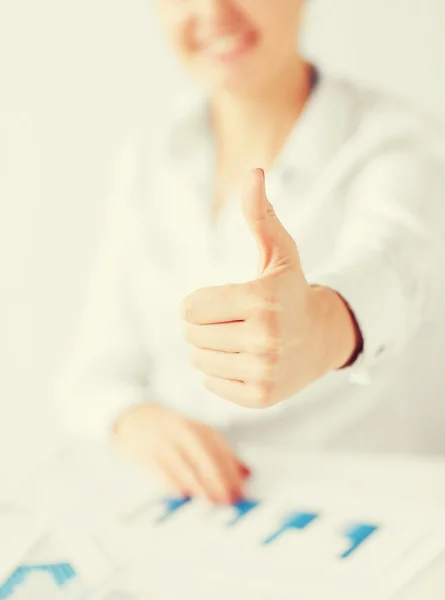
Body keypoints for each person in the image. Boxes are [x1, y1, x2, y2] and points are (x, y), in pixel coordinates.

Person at [55, 0, 445, 505]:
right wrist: (133, 419)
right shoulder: (147, 159)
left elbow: (393, 263)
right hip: (195, 513)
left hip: (366, 513)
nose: (214, 12)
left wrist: (322, 328)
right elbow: (91, 376)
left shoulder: (402, 142)